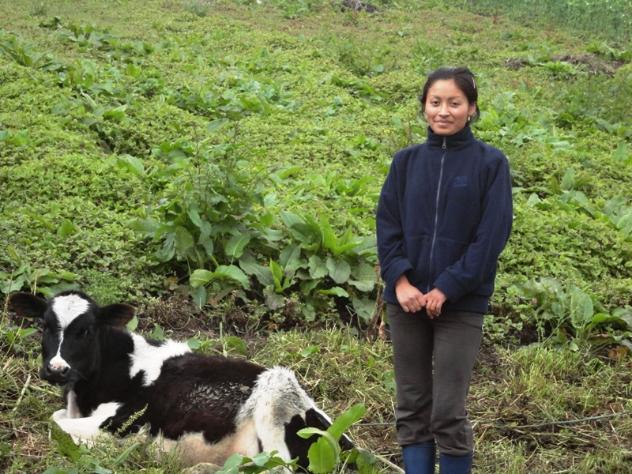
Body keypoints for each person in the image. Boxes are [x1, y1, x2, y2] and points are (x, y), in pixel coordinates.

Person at [376, 67, 512, 474]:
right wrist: (400, 281)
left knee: (448, 412)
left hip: (461, 304)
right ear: (424, 107)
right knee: (411, 407)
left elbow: (491, 237)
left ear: (471, 109)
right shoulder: (406, 163)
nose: (443, 111)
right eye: (435, 102)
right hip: (407, 302)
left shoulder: (490, 164)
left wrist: (448, 287)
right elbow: (387, 225)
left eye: (454, 103)